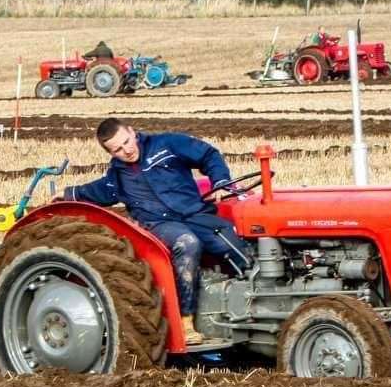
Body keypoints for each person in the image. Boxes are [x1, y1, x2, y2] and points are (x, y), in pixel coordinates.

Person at [63, 117, 253, 347]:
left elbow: (208, 154)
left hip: (193, 214)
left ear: (132, 132)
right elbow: (97, 191)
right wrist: (69, 195)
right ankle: (186, 322)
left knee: (232, 239)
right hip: (157, 225)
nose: (127, 150)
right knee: (187, 243)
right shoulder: (117, 176)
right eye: (118, 150)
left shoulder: (166, 145)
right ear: (110, 153)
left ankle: (251, 305)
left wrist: (221, 181)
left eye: (126, 142)